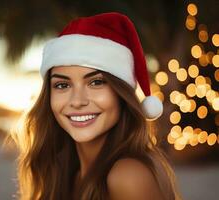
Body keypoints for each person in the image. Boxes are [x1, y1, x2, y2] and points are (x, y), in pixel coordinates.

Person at [16, 12, 181, 200]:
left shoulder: (128, 176)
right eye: (63, 85)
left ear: (121, 93)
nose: (77, 101)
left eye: (96, 82)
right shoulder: (64, 172)